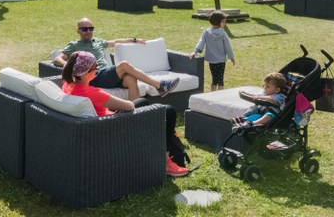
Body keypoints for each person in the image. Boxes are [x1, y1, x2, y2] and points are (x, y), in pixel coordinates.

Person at [61, 51, 191, 177]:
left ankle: (166, 152)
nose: (97, 70)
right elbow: (129, 105)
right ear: (85, 74)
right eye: (95, 67)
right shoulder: (92, 93)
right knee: (169, 111)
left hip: (99, 125)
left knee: (147, 103)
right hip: (113, 129)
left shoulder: (67, 85)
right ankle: (165, 162)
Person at [53, 18, 179, 100]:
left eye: (91, 29)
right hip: (93, 76)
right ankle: (159, 85)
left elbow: (115, 41)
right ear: (78, 31)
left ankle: (134, 113)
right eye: (85, 29)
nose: (88, 31)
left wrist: (134, 39)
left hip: (106, 75)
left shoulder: (98, 42)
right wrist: (67, 65)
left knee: (131, 79)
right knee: (124, 65)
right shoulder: (74, 45)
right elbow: (57, 58)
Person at [191, 10, 236, 91]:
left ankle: (212, 95)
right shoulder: (223, 33)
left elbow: (201, 42)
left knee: (214, 79)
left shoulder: (206, 32)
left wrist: (195, 51)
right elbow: (228, 46)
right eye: (223, 22)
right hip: (221, 60)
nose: (224, 23)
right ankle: (220, 95)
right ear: (219, 22)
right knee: (220, 79)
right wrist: (231, 57)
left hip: (212, 60)